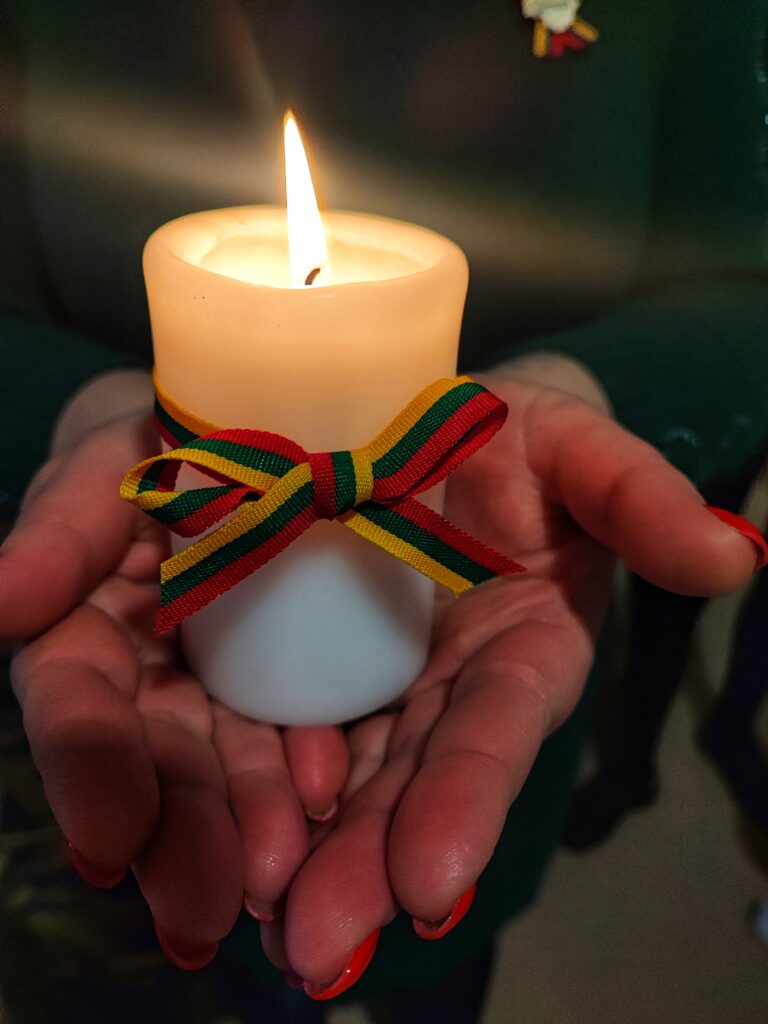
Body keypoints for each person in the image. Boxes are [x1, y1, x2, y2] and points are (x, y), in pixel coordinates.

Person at [2, 0, 768, 1017]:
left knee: (439, 951)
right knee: (212, 948)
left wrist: (595, 392)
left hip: (495, 625)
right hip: (151, 683)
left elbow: (743, 280)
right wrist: (76, 409)